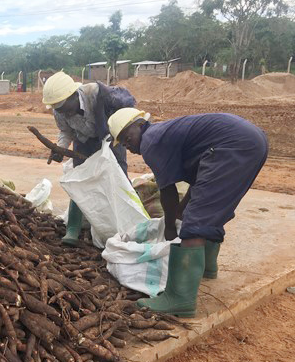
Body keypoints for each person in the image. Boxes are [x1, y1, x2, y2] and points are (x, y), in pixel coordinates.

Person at [107, 108, 268, 317]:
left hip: (233, 145)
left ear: (140, 124)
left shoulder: (150, 142)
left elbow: (168, 191)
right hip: (252, 142)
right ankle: (207, 268)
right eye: (125, 144)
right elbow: (199, 184)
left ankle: (180, 299)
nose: (129, 146)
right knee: (209, 211)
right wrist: (181, 213)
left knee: (195, 224)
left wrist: (170, 228)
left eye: (128, 138)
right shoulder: (164, 134)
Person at [42, 71, 136, 246]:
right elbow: (65, 131)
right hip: (83, 141)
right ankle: (73, 229)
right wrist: (60, 148)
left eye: (63, 107)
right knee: (80, 180)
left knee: (119, 178)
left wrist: (118, 134)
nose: (63, 112)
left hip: (110, 140)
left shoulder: (98, 94)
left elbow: (128, 107)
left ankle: (129, 223)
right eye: (57, 109)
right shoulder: (59, 111)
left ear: (73, 95)